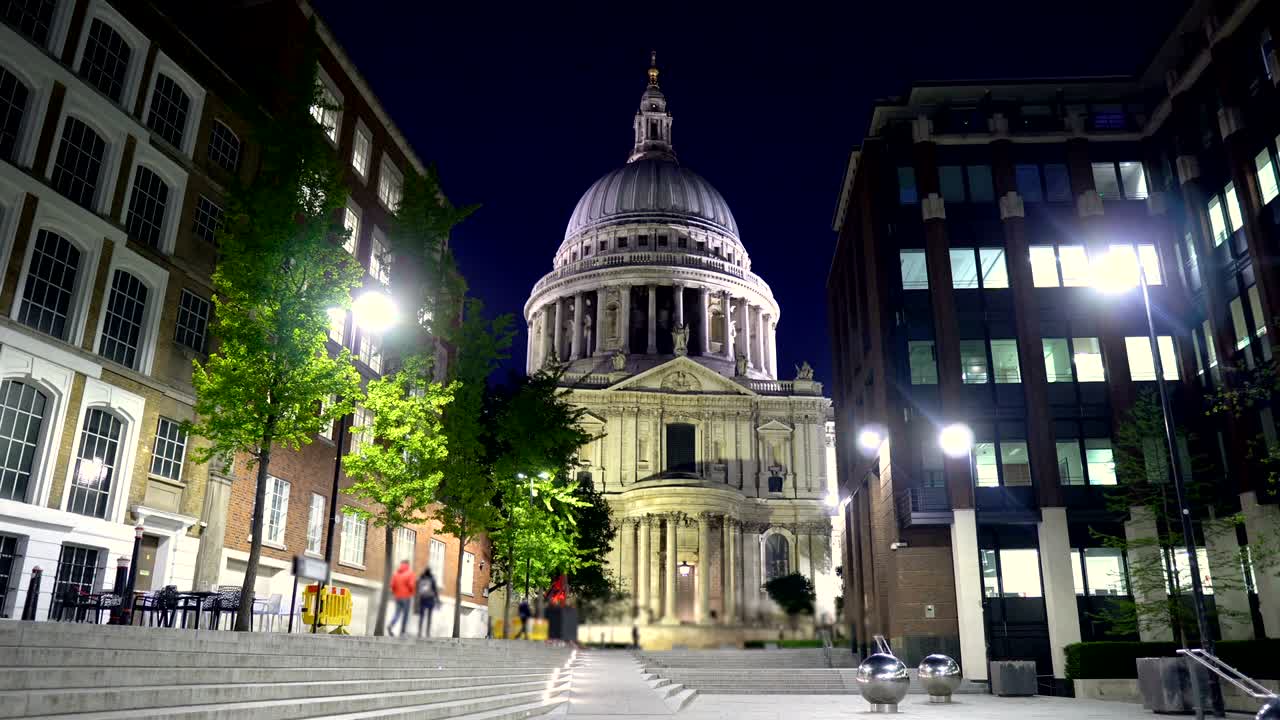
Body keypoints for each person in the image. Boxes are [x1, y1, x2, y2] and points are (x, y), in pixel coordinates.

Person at [388, 560, 415, 637]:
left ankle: (391, 625)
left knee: (397, 613)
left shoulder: (396, 574)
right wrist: (412, 593)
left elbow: (392, 585)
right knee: (405, 615)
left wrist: (395, 593)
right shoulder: (410, 574)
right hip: (406, 597)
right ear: (408, 565)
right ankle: (402, 632)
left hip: (397, 597)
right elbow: (411, 585)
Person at [416, 567, 438, 638]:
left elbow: (417, 587)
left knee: (422, 616)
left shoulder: (421, 578)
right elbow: (435, 590)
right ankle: (427, 633)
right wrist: (437, 599)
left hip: (423, 599)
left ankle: (419, 632)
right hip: (430, 599)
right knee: (429, 616)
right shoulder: (432, 579)